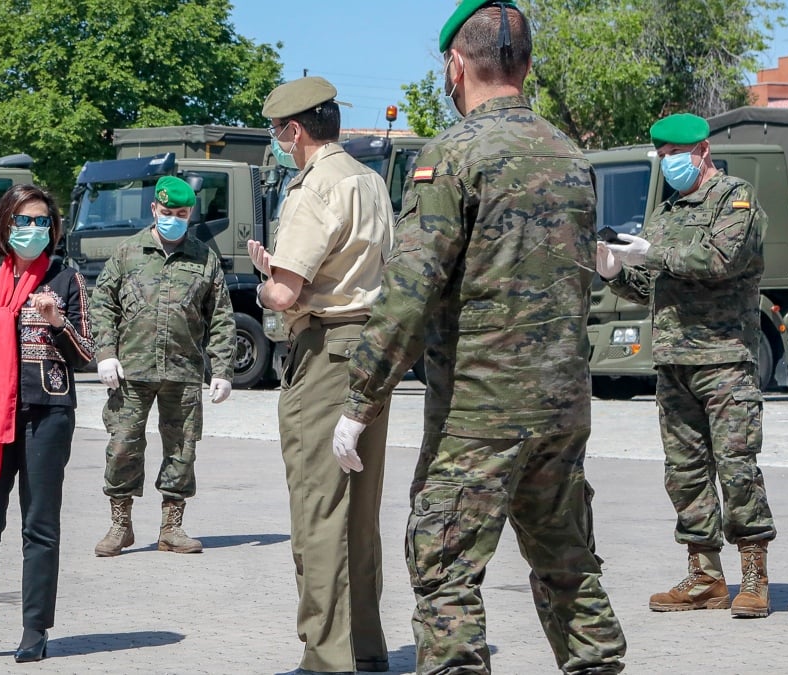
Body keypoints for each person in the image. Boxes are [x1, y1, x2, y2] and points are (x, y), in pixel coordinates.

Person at [332, 2, 628, 672]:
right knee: (569, 568)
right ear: (526, 65)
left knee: (445, 572)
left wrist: (360, 400)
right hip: (561, 408)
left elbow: (410, 292)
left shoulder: (452, 156)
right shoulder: (571, 158)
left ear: (456, 66)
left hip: (478, 414)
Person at [600, 112, 776, 618]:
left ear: (701, 152)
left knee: (737, 469)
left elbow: (719, 261)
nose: (668, 164)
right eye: (663, 157)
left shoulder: (734, 198)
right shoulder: (668, 210)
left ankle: (753, 576)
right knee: (685, 474)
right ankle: (705, 576)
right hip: (674, 363)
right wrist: (614, 270)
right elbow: (653, 287)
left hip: (724, 360)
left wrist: (652, 250)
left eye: (674, 156)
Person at [247, 76, 394, 675]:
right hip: (373, 348)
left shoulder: (313, 188)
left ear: (296, 131)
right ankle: (364, 645)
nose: (280, 143)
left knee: (318, 508)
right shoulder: (371, 179)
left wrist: (265, 280)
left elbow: (285, 293)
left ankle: (324, 657)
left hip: (326, 350)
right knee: (361, 510)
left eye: (280, 133)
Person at [0, 184, 94, 664]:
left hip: (46, 416)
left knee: (40, 526)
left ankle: (35, 628)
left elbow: (85, 356)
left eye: (41, 223)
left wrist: (58, 322)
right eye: (23, 221)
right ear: (4, 226)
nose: (32, 230)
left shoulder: (65, 279)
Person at [88, 175, 235, 557]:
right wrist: (105, 353)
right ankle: (120, 525)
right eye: (167, 212)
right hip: (130, 371)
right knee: (122, 446)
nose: (173, 218)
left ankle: (172, 527)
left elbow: (220, 317)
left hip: (182, 372)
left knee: (182, 450)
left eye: (181, 213)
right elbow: (102, 302)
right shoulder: (127, 253)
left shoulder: (205, 257)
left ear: (191, 214)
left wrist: (221, 370)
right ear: (154, 209)